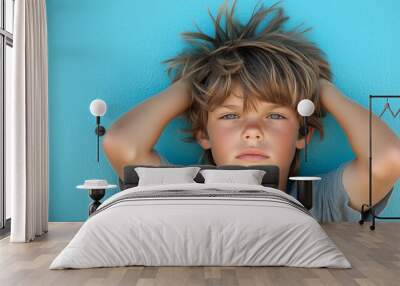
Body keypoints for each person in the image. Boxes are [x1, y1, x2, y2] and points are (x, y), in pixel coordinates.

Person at [103, 0, 399, 222]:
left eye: (275, 115)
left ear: (303, 133)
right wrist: (198, 81)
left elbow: (388, 158)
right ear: (203, 134)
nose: (253, 131)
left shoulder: (323, 202)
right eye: (230, 115)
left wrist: (317, 87)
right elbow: (124, 146)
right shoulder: (182, 192)